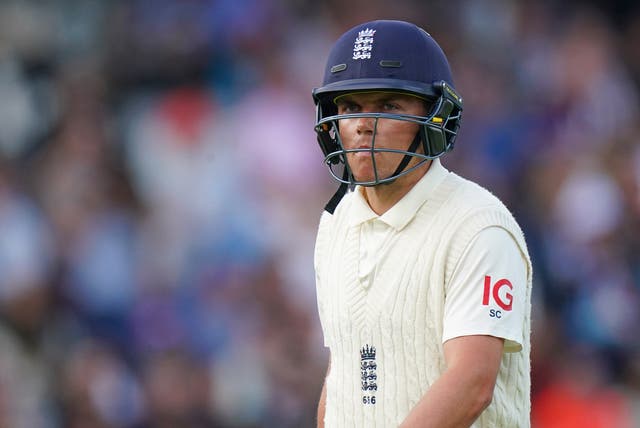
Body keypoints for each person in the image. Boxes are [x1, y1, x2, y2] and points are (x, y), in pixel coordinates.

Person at [312, 20, 532, 427]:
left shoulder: (479, 227)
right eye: (349, 108)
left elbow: (472, 382)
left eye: (389, 106)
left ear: (436, 117)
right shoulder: (335, 223)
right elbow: (343, 370)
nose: (363, 124)